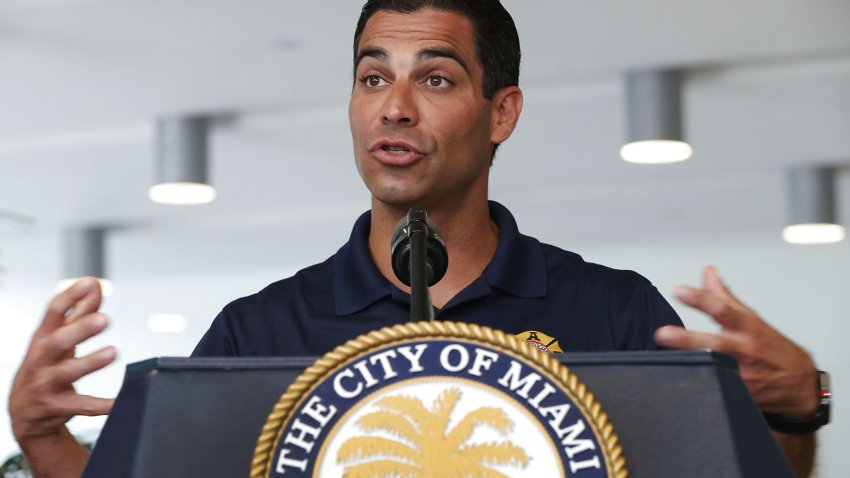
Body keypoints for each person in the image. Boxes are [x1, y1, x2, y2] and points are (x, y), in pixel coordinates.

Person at [8, 1, 824, 477]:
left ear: (501, 112)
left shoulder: (612, 312)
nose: (394, 108)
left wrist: (798, 413)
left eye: (434, 78)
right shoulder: (257, 331)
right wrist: (42, 441)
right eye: (373, 77)